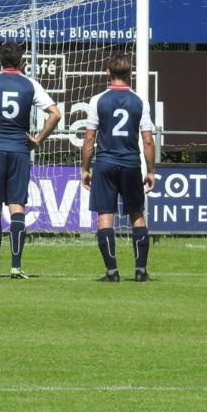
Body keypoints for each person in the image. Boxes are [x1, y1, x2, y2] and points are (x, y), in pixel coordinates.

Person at [0, 41, 62, 279]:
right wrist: (38, 139)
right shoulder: (30, 84)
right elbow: (55, 113)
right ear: (21, 61)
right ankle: (16, 266)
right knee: (17, 207)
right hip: (20, 150)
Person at [80, 53, 157, 283]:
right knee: (137, 215)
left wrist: (85, 168)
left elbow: (89, 139)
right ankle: (141, 270)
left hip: (105, 164)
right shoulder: (139, 101)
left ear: (108, 73)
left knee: (105, 216)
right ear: (130, 74)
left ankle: (112, 272)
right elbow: (148, 140)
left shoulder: (98, 100)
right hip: (130, 163)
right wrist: (151, 171)